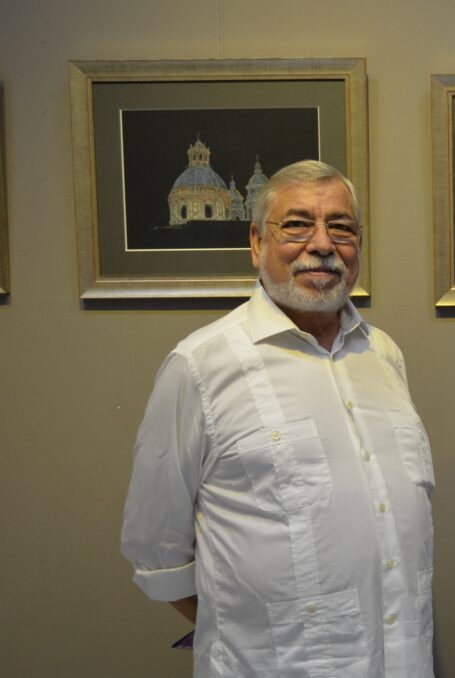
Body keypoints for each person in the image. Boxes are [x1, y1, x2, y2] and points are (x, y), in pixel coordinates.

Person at [121, 160, 436, 677]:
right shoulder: (199, 367)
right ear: (255, 243)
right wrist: (247, 632)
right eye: (296, 225)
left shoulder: (385, 356)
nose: (321, 244)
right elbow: (158, 554)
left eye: (341, 227)